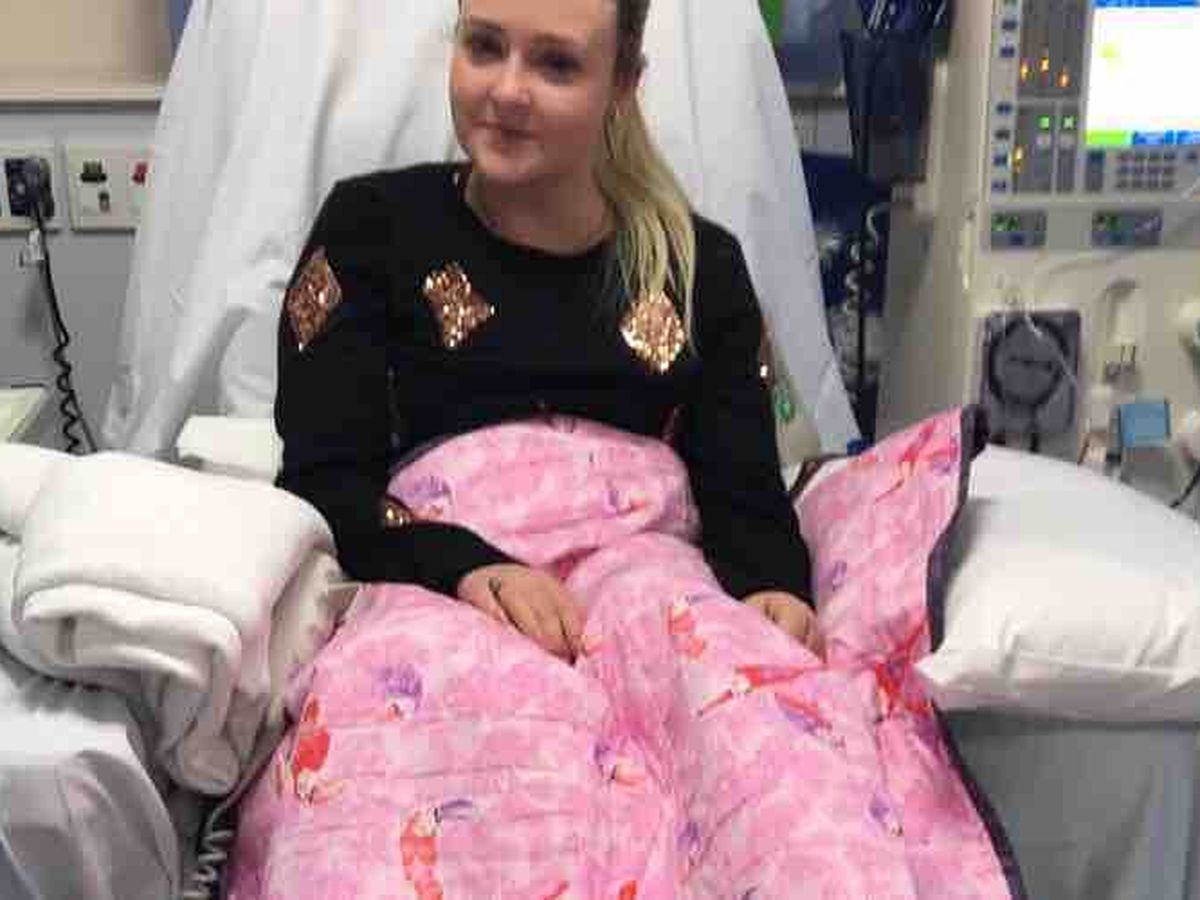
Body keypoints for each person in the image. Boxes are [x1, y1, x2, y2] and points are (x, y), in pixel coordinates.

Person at [276, 0, 821, 658]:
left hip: (650, 604)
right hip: (440, 608)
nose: (508, 91)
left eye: (556, 64)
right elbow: (323, 485)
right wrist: (466, 569)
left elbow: (747, 504)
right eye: (484, 47)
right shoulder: (369, 231)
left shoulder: (698, 271)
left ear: (622, 84)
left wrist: (775, 595)